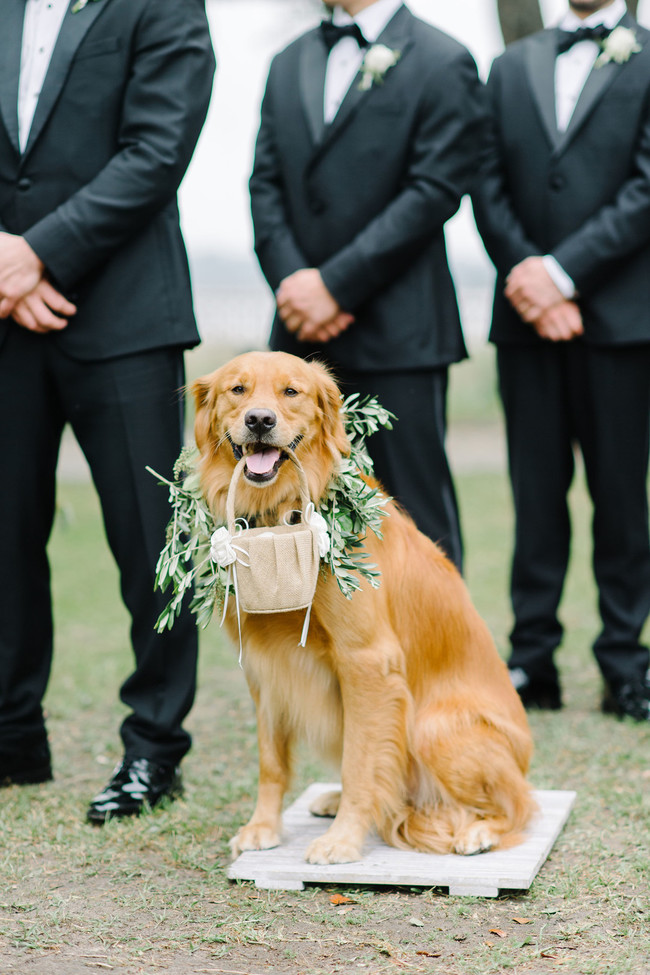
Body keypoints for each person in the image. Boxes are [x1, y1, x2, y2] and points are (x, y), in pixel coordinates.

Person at [0, 0, 216, 815]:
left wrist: (36, 253)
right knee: (6, 530)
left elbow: (156, 150)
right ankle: (12, 734)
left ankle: (155, 747)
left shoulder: (162, 6)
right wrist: (7, 267)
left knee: (149, 541)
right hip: (4, 309)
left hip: (127, 315)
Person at [249, 0, 486, 571]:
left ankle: (438, 658)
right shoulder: (287, 61)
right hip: (300, 339)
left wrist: (336, 285)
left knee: (414, 514)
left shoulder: (443, 58)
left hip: (400, 329)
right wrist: (295, 284)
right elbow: (264, 182)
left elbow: (433, 190)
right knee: (289, 516)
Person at [473, 0, 650, 720]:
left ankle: (625, 661)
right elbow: (485, 183)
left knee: (621, 499)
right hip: (524, 322)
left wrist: (565, 274)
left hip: (620, 322)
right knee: (535, 496)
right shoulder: (509, 66)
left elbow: (646, 187)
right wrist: (531, 278)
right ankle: (531, 660)